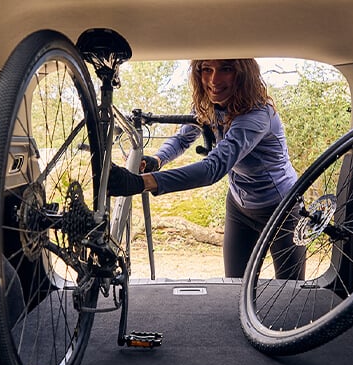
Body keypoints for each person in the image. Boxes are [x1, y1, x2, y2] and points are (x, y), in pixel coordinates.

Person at [108, 58, 305, 279]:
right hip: (239, 207)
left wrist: (143, 182)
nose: (214, 79)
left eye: (226, 69)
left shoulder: (257, 114)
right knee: (234, 286)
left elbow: (213, 168)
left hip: (282, 208)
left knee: (290, 291)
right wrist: (157, 160)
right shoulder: (208, 105)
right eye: (207, 69)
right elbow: (183, 139)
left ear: (243, 74)